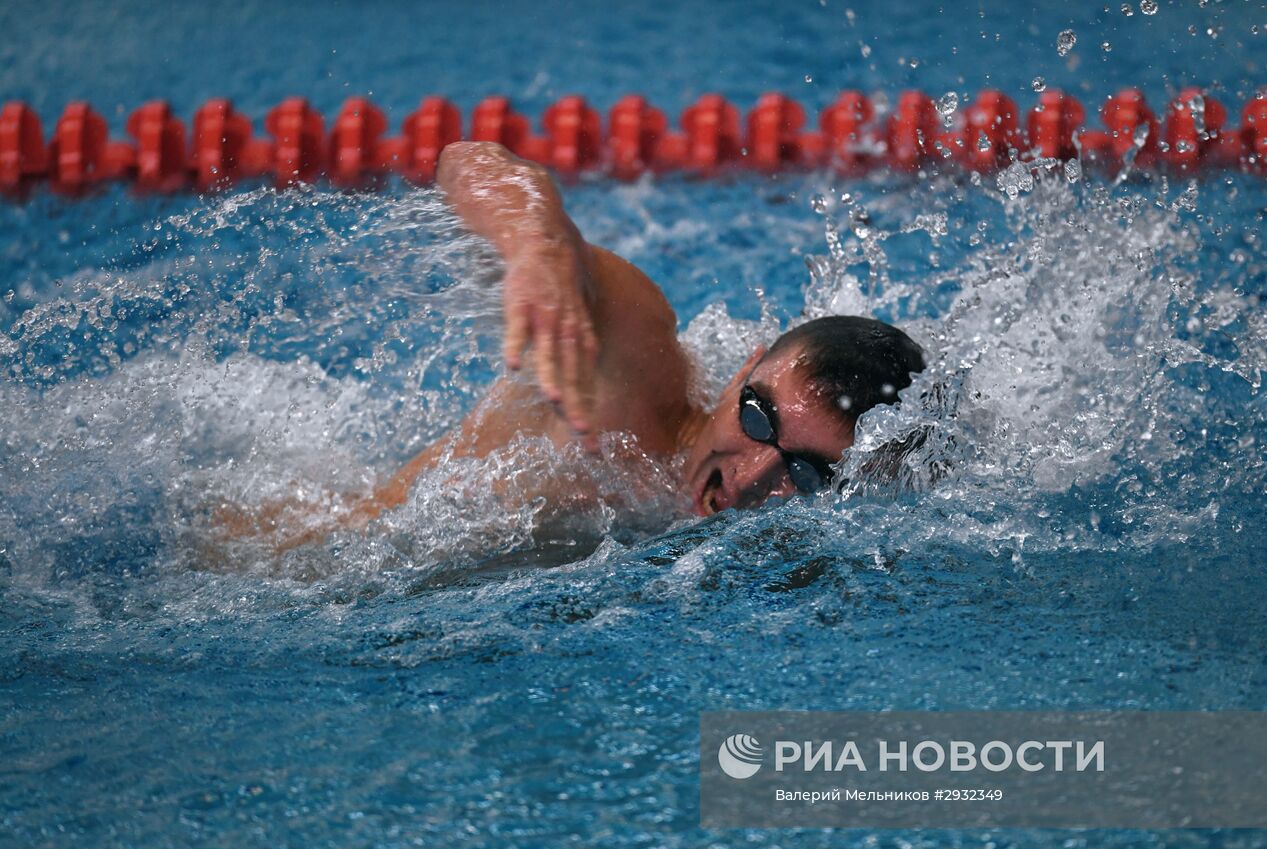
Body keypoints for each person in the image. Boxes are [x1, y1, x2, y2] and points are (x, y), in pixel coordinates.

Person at [216, 142, 927, 549]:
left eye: (802, 476)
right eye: (757, 419)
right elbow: (470, 163)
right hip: (276, 558)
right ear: (745, 369)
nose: (746, 481)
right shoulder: (630, 367)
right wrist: (539, 246)